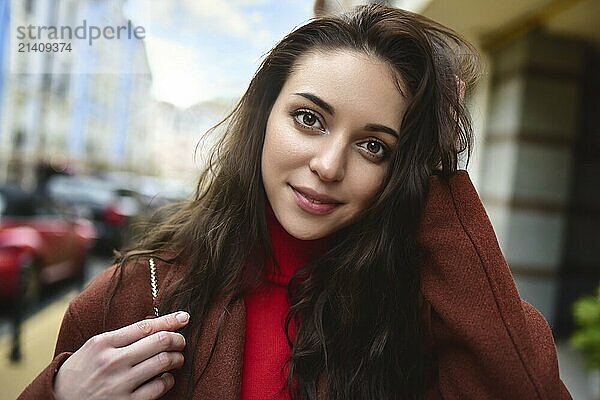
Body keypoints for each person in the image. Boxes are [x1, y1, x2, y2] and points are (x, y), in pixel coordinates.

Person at [19, 4, 571, 400]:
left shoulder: (414, 318)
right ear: (264, 119)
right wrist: (59, 392)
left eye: (374, 147)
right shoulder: (135, 295)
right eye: (309, 119)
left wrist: (440, 175)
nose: (329, 166)